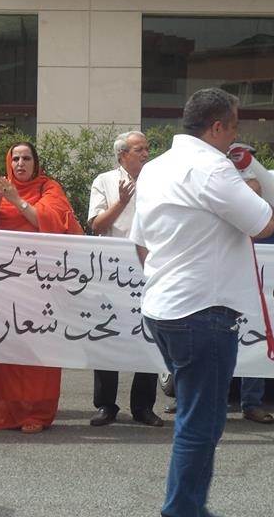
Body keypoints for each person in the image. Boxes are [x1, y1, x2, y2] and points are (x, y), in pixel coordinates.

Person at [131, 88, 274, 517]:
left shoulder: (155, 167)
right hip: (203, 312)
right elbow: (265, 224)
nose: (235, 136)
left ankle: (186, 507)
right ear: (216, 127)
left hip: (164, 308)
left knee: (194, 418)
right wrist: (256, 189)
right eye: (233, 127)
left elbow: (140, 244)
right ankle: (182, 511)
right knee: (201, 425)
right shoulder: (214, 167)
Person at [0, 141, 83, 434]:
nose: (20, 164)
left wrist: (17, 199)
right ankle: (0, 413)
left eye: (26, 159)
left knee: (37, 351)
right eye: (15, 159)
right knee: (3, 347)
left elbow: (52, 224)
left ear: (36, 163)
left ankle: (35, 413)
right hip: (3, 282)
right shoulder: (0, 189)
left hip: (40, 283)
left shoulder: (49, 189)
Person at [86, 130, 163, 428]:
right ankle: (106, 405)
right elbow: (96, 225)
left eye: (147, 148)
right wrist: (120, 202)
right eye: (139, 149)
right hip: (112, 272)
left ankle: (143, 406)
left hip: (149, 269)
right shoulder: (104, 180)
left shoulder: (158, 180)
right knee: (107, 335)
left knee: (148, 336)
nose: (146, 154)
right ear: (122, 154)